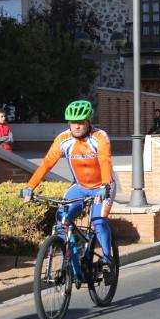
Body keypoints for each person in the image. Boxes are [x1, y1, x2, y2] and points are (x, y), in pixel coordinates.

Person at [21, 100, 116, 276]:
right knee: (62, 219)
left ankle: (107, 262)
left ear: (88, 122)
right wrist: (30, 186)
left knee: (98, 221)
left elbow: (105, 160)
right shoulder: (63, 139)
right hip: (79, 186)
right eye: (73, 122)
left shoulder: (99, 137)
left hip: (103, 185)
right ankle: (77, 245)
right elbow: (46, 164)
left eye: (80, 122)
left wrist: (104, 185)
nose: (77, 126)